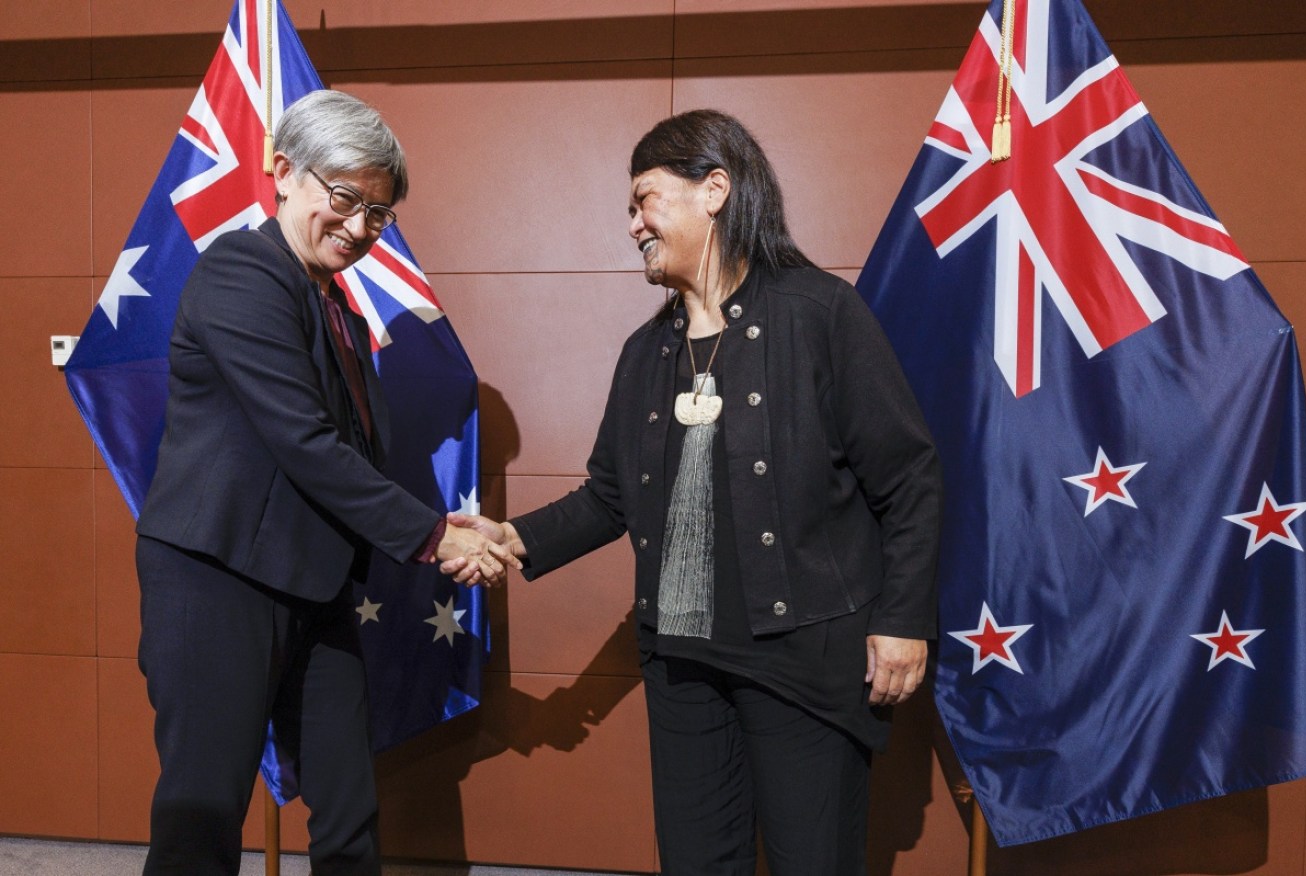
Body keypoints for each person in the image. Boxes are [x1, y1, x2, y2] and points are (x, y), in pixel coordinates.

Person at [445, 109, 941, 875]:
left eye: (645, 199)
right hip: (681, 668)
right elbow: (610, 495)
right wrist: (513, 539)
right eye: (630, 209)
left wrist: (903, 620)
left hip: (804, 665)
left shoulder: (820, 315)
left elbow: (908, 478)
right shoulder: (645, 352)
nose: (634, 224)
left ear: (715, 188)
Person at [133, 89, 516, 876]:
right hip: (218, 580)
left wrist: (443, 528)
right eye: (345, 199)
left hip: (315, 587)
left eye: (378, 214)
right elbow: (304, 444)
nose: (359, 229)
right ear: (282, 171)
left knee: (347, 812)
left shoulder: (334, 300)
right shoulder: (241, 272)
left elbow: (354, 455)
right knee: (201, 819)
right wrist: (436, 535)